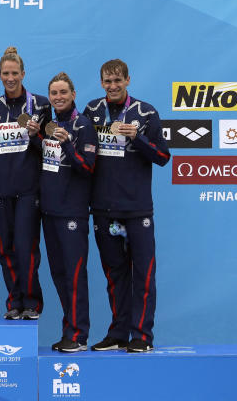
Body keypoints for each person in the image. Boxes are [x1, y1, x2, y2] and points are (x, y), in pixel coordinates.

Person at [83, 59, 170, 353]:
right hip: (104, 208)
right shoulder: (93, 111)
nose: (113, 86)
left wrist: (139, 138)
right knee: (114, 276)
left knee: (143, 275)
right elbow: (84, 153)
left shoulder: (146, 112)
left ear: (128, 80)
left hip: (137, 209)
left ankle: (142, 336)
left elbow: (162, 156)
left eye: (118, 80)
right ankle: (119, 332)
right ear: (101, 83)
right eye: (107, 81)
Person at [0, 46, 50, 320]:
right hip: (1, 189)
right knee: (6, 249)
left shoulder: (41, 105)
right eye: (5, 73)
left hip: (29, 190)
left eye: (15, 73)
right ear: (0, 76)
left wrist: (36, 137)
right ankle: (14, 301)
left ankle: (32, 302)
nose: (10, 78)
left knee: (27, 248)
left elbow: (51, 148)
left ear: (23, 74)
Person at [40, 72, 96, 352]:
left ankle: (79, 335)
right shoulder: (50, 125)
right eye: (54, 93)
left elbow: (87, 168)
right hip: (49, 212)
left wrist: (67, 144)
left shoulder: (83, 124)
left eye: (63, 92)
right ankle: (69, 331)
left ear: (73, 94)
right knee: (59, 275)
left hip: (73, 213)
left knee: (75, 275)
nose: (58, 97)